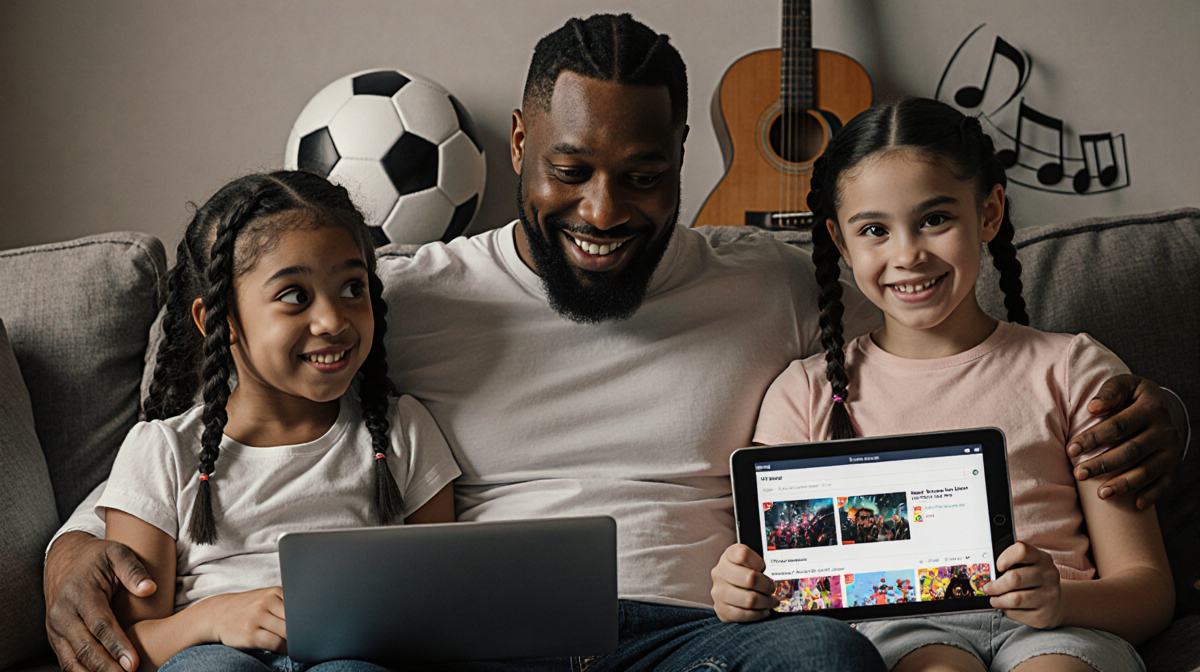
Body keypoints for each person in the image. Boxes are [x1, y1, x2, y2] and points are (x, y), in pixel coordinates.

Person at [44, 15, 1187, 672]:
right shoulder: (396, 295)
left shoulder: (788, 282)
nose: (604, 211)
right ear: (523, 140)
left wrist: (1156, 406)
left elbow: (937, 349)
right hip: (491, 654)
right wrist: (67, 550)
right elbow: (232, 410)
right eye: (572, 171)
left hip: (698, 642)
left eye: (644, 176)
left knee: (828, 660)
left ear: (689, 151)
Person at [710, 98, 1174, 672]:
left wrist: (1059, 599)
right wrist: (742, 591)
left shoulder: (1074, 371)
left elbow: (1149, 590)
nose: (908, 254)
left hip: (1060, 628)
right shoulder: (804, 393)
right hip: (900, 631)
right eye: (875, 230)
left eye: (934, 219)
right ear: (839, 240)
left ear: (989, 212)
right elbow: (776, 580)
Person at [94, 171, 459, 671]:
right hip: (211, 652)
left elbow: (444, 609)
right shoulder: (161, 451)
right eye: (294, 296)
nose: (333, 320)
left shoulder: (401, 432)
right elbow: (125, 647)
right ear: (220, 322)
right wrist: (214, 618)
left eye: (352, 287)